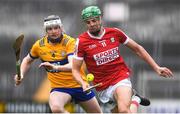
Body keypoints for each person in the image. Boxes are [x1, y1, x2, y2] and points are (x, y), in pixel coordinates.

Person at [72, 6, 173, 113]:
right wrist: (82, 83)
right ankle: (135, 100)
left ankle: (133, 99)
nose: (91, 24)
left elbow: (138, 49)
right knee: (122, 111)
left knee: (124, 110)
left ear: (100, 18)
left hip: (120, 77)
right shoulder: (81, 42)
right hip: (102, 87)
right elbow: (75, 69)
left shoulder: (114, 33)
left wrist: (156, 67)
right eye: (88, 22)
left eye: (94, 20)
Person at [14, 15, 102, 113]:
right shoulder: (39, 45)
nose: (53, 31)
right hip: (60, 88)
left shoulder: (70, 42)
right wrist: (21, 73)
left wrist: (55, 67)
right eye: (50, 29)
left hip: (79, 85)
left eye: (56, 28)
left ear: (61, 28)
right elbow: (27, 60)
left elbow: (73, 65)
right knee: (56, 108)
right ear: (46, 31)